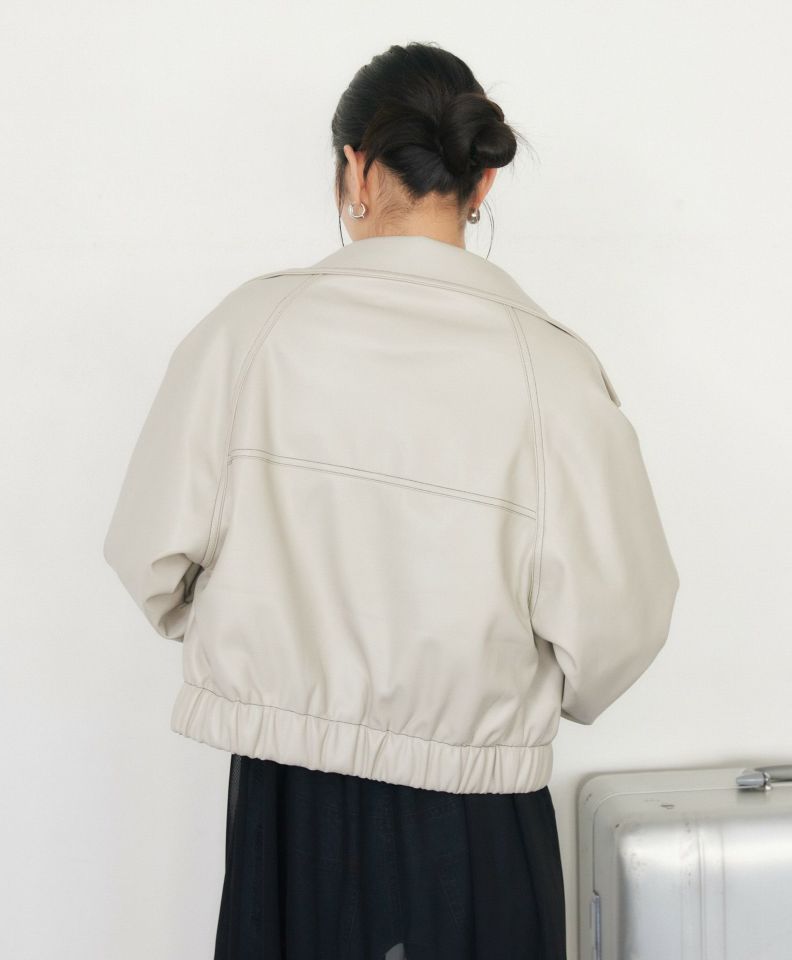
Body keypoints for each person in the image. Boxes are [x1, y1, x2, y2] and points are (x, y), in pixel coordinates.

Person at [102, 41, 680, 960]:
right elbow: (620, 627)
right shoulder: (554, 369)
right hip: (480, 826)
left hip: (289, 808)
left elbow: (150, 560)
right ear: (482, 182)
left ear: (356, 170)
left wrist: (270, 655)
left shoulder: (249, 333)